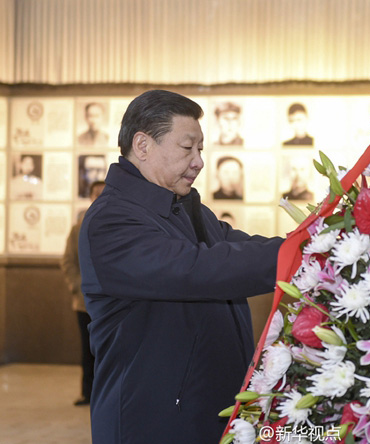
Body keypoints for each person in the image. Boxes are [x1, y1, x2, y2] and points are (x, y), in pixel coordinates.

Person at [78, 89, 283, 444]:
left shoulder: (187, 209)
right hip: (154, 422)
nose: (199, 161)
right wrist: (295, 256)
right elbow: (197, 269)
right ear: (142, 146)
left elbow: (240, 246)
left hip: (204, 414)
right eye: (187, 148)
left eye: (200, 149)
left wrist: (312, 244)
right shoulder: (112, 220)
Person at [60, 180, 106, 407]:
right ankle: (87, 393)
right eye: (96, 194)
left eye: (103, 193)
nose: (99, 197)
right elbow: (68, 261)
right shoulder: (78, 229)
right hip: (83, 302)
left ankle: (105, 394)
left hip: (109, 302)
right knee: (87, 350)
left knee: (106, 351)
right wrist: (78, 286)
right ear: (90, 197)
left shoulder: (115, 225)